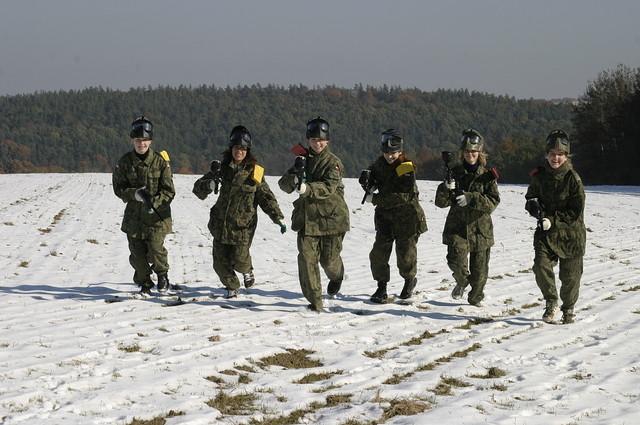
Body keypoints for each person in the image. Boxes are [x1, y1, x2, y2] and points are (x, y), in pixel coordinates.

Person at [192, 125, 286, 298]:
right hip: (221, 224)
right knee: (219, 264)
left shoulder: (255, 172)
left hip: (243, 227)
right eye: (236, 148)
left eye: (243, 149)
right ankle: (232, 286)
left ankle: (247, 271)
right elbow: (197, 190)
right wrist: (209, 184)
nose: (239, 152)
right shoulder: (221, 169)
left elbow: (266, 197)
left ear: (247, 150)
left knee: (240, 261)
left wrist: (278, 217)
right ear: (231, 148)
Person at [278, 117, 350, 312]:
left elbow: (329, 186)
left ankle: (337, 275)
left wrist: (305, 188)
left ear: (327, 141)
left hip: (332, 219)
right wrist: (294, 177)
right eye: (313, 140)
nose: (317, 143)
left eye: (321, 140)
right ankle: (315, 301)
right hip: (307, 220)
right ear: (308, 140)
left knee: (329, 261)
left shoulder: (333, 163)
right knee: (307, 259)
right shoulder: (302, 160)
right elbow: (283, 184)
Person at [525, 130, 586, 324]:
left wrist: (553, 219)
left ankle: (568, 309)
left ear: (566, 156)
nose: (556, 158)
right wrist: (533, 207)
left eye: (560, 154)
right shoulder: (539, 176)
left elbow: (576, 210)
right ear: (546, 155)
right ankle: (551, 302)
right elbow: (530, 198)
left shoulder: (573, 179)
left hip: (571, 236)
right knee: (540, 266)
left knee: (570, 278)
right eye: (552, 154)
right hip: (546, 234)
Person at [435, 128, 500, 306]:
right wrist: (445, 188)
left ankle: (475, 297)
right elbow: (441, 203)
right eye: (467, 151)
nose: (470, 155)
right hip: (458, 227)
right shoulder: (454, 172)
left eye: (474, 151)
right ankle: (462, 282)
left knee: (480, 274)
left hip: (480, 229)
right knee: (455, 262)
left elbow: (493, 202)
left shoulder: (487, 176)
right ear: (462, 152)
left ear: (480, 153)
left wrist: (471, 198)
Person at [112, 116, 176, 295]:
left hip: (157, 216)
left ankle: (163, 276)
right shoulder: (124, 162)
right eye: (138, 140)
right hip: (134, 217)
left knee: (156, 249)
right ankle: (145, 282)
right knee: (137, 255)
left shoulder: (160, 162)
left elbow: (169, 191)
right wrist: (135, 194)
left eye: (145, 140)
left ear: (151, 140)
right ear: (132, 140)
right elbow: (118, 188)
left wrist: (152, 201)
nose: (141, 143)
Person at [362, 129, 427, 303]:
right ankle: (381, 287)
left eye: (394, 153)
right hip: (385, 218)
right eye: (387, 153)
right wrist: (366, 180)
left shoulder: (406, 166)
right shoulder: (379, 163)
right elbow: (372, 174)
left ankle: (409, 281)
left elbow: (404, 195)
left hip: (407, 217)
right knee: (378, 254)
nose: (390, 156)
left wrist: (375, 198)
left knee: (406, 254)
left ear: (400, 152)